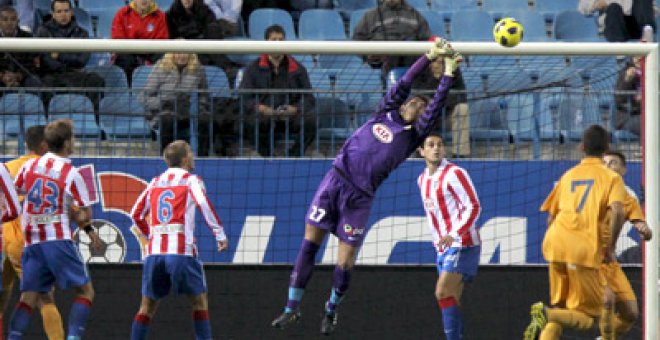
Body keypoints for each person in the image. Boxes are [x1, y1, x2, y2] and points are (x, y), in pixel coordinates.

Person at [270, 37, 462, 335]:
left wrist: (448, 73)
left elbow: (437, 104)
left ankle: (331, 309)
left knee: (345, 262)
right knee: (309, 244)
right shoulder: (383, 111)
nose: (415, 102)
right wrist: (427, 57)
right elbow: (405, 82)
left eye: (420, 104)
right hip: (334, 182)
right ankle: (291, 308)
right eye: (413, 100)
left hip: (359, 198)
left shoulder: (413, 137)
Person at [524, 124, 627, 340]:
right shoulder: (611, 178)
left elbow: (551, 216)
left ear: (581, 147)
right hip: (582, 249)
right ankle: (545, 313)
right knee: (590, 316)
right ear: (606, 148)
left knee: (561, 306)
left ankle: (548, 314)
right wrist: (611, 246)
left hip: (555, 243)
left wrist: (555, 243)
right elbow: (618, 210)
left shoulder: (568, 175)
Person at [7, 119, 102, 340]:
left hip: (31, 241)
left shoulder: (29, 166)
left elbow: (17, 190)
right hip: (57, 239)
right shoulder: (72, 173)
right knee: (86, 291)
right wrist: (80, 219)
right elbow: (85, 213)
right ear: (68, 143)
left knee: (28, 297)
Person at [129, 140, 229, 340]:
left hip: (154, 253)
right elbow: (203, 204)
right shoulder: (191, 180)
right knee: (199, 302)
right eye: (191, 153)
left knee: (146, 307)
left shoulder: (155, 182)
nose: (193, 157)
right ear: (185, 159)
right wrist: (219, 233)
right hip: (181, 251)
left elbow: (136, 214)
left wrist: (151, 236)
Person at [0, 126, 64, 340]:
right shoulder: (51, 171)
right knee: (45, 299)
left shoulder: (8, 167)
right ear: (44, 145)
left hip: (6, 240)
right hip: (31, 241)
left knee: (4, 291)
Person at [417, 132, 481, 339]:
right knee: (451, 298)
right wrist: (439, 242)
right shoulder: (422, 180)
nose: (436, 148)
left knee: (441, 292)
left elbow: (473, 206)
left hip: (463, 243)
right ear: (422, 151)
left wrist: (454, 234)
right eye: (431, 145)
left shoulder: (455, 173)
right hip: (443, 248)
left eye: (440, 144)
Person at [238, 24, 315, 157]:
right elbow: (245, 97)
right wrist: (261, 108)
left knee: (312, 121)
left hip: (290, 116)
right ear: (266, 42)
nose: (278, 44)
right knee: (250, 122)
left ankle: (293, 157)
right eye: (274, 40)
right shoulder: (252, 68)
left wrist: (295, 108)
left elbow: (309, 98)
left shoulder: (298, 68)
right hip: (264, 116)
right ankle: (268, 157)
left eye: (281, 40)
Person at [601, 150, 652, 337]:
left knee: (630, 313)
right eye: (604, 163)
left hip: (609, 261)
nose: (607, 166)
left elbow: (639, 221)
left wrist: (644, 228)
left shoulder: (627, 197)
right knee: (606, 301)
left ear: (623, 170)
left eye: (612, 163)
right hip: (586, 257)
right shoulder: (591, 190)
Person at [139, 51, 219, 156]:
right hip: (165, 110)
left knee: (205, 120)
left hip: (189, 111)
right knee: (167, 120)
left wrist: (200, 108)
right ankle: (166, 157)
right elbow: (143, 97)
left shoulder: (198, 69)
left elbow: (203, 95)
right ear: (171, 54)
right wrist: (161, 103)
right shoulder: (161, 68)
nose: (182, 56)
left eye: (185, 53)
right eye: (178, 53)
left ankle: (202, 157)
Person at [35, 0, 104, 107]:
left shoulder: (82, 33)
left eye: (66, 11)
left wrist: (59, 55)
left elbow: (81, 61)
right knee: (45, 84)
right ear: (53, 14)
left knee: (95, 80)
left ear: (71, 12)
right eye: (59, 11)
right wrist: (71, 60)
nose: (63, 15)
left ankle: (94, 116)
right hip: (53, 75)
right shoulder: (43, 31)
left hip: (76, 74)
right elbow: (47, 61)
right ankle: (49, 119)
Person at [166, 0, 241, 89]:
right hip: (188, 48)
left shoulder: (203, 9)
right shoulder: (172, 14)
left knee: (213, 30)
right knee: (208, 55)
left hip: (207, 45)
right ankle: (227, 70)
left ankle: (227, 78)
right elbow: (174, 36)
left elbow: (212, 25)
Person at [352, 0, 431, 79]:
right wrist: (367, 55)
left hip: (410, 59)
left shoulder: (416, 15)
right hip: (381, 61)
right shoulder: (370, 16)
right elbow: (357, 40)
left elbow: (426, 40)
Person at [413, 58, 470, 157]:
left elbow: (461, 95)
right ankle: (420, 151)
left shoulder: (453, 69)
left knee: (462, 108)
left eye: (441, 61)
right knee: (420, 107)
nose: (438, 64)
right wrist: (435, 79)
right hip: (427, 116)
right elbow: (417, 93)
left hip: (447, 116)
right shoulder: (420, 68)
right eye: (435, 61)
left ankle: (460, 154)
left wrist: (439, 100)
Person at [111, 0, 169, 83]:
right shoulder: (122, 14)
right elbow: (118, 40)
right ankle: (127, 92)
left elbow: (161, 42)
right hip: (129, 54)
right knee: (123, 58)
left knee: (162, 57)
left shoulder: (161, 17)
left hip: (150, 54)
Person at [0, 5, 41, 89]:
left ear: (18, 21)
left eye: (13, 19)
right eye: (5, 19)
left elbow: (33, 63)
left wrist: (19, 75)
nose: (9, 23)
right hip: (1, 76)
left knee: (35, 81)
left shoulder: (27, 37)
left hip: (23, 77)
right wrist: (2, 76)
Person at [578, 0, 656, 42]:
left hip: (636, 24)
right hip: (613, 24)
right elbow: (583, 8)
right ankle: (619, 51)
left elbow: (653, 9)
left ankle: (647, 38)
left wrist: (650, 11)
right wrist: (596, 4)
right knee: (614, 8)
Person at [614, 56, 641, 135]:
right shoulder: (625, 72)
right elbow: (619, 100)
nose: (639, 57)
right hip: (628, 117)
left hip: (649, 114)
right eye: (636, 55)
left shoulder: (653, 73)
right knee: (648, 124)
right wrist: (627, 80)